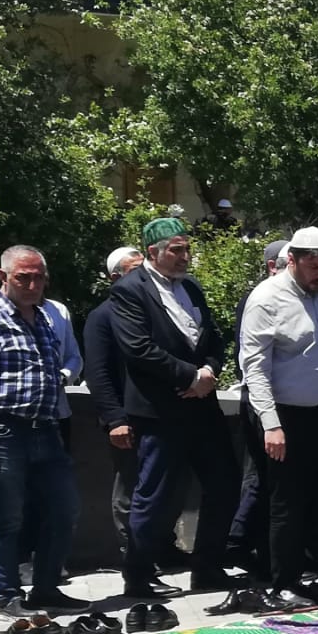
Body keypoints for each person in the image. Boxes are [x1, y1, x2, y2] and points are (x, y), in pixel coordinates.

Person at [0, 244, 83, 617]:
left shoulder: (44, 318)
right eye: (24, 277)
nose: (33, 284)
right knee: (6, 519)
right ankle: (8, 595)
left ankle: (46, 589)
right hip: (3, 430)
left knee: (63, 509)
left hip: (46, 427)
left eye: (39, 277)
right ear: (3, 276)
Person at [109, 217, 239, 604]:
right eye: (176, 250)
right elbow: (138, 348)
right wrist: (188, 377)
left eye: (187, 249)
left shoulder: (192, 287)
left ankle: (208, 566)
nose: (185, 257)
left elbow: (214, 337)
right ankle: (139, 574)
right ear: (153, 253)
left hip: (202, 406)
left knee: (225, 482)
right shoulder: (130, 291)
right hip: (161, 410)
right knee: (156, 495)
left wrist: (210, 371)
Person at [238, 226, 318, 609]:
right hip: (285, 416)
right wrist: (270, 423)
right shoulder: (265, 299)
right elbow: (255, 368)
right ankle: (284, 583)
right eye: (313, 266)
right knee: (286, 500)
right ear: (290, 260)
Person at [82, 248, 150, 570]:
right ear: (115, 278)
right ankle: (132, 553)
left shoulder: (150, 309)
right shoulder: (102, 317)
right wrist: (115, 419)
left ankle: (159, 548)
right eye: (135, 271)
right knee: (130, 486)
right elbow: (98, 374)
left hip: (155, 416)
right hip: (125, 419)